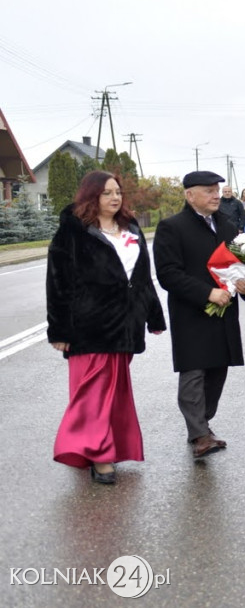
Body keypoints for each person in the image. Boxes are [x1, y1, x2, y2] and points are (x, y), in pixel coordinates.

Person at [47, 171, 166, 484]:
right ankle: (99, 457)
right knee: (91, 395)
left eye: (118, 192)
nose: (115, 198)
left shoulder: (130, 228)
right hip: (88, 326)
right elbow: (57, 283)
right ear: (91, 196)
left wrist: (153, 315)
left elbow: (142, 277)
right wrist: (59, 331)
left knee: (115, 396)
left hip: (124, 326)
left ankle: (105, 447)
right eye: (107, 193)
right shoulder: (73, 231)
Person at [154, 170, 245, 459]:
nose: (215, 194)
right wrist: (207, 293)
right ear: (189, 195)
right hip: (191, 314)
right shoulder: (171, 227)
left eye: (217, 189)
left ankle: (202, 423)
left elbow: (240, 266)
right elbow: (168, 274)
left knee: (216, 371)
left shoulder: (227, 226)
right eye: (209, 190)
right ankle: (199, 432)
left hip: (225, 313)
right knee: (194, 372)